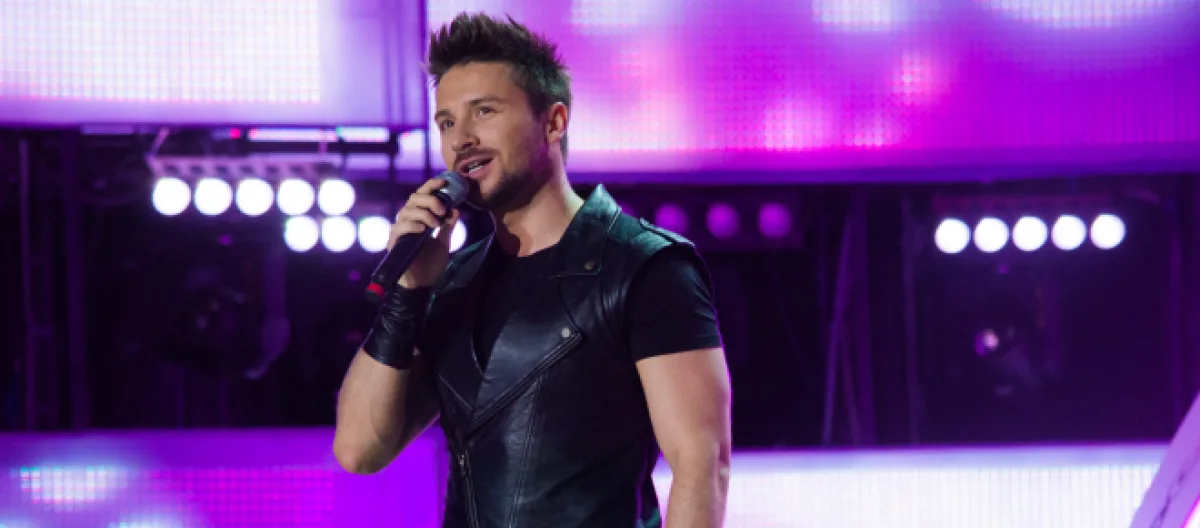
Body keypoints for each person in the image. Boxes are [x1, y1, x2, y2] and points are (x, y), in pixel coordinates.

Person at [333, 12, 731, 528]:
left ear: (554, 122)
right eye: (447, 122)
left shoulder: (643, 267)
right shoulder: (455, 281)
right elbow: (359, 450)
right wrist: (407, 292)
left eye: (484, 111)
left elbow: (703, 465)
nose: (461, 139)